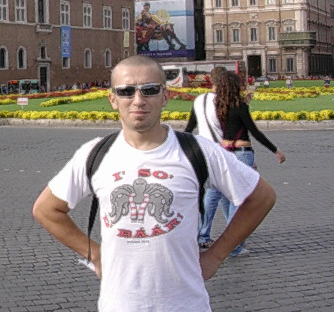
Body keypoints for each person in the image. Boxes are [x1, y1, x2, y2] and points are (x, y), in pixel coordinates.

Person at [33, 56, 277, 312]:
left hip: (185, 304)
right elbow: (46, 209)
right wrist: (93, 254)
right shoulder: (94, 153)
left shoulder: (199, 151)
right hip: (119, 303)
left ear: (165, 96)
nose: (138, 100)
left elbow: (261, 197)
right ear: (113, 99)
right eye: (126, 91)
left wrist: (216, 255)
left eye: (149, 90)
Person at [214, 70, 286, 257]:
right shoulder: (240, 106)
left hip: (223, 151)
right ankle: (234, 243)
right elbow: (254, 131)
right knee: (242, 199)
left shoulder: (217, 106)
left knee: (227, 197)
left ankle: (234, 238)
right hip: (242, 152)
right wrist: (275, 150)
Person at [184, 66, 229, 249]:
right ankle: (203, 234)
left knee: (224, 193)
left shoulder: (199, 100)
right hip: (219, 151)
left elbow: (190, 125)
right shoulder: (222, 101)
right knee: (215, 192)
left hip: (202, 149)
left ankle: (232, 230)